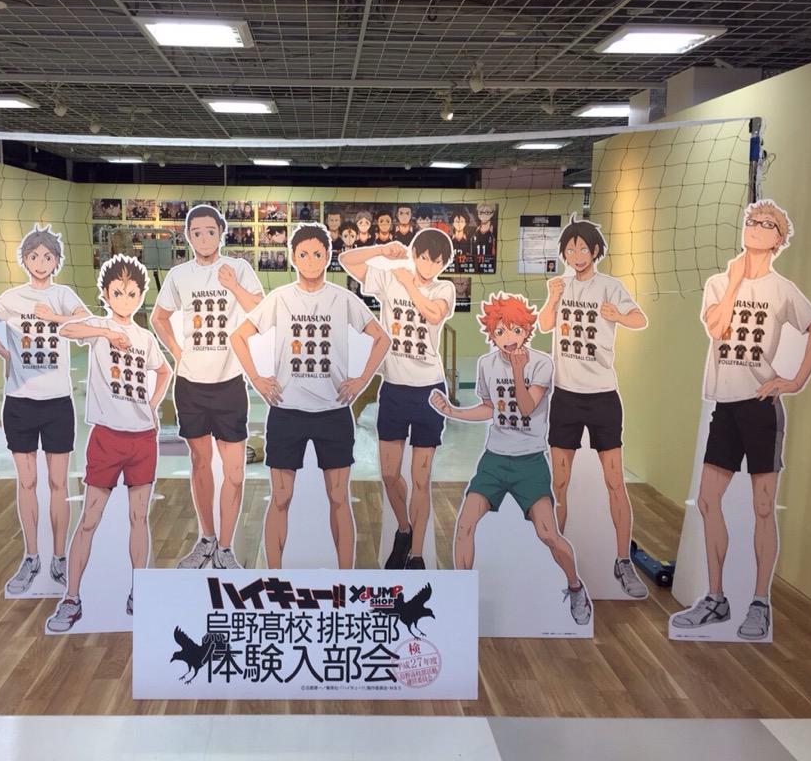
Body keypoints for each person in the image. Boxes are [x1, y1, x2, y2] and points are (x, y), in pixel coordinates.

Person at [672, 200, 811, 640]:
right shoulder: (719, 283)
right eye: (752, 221)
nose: (756, 227)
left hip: (761, 407)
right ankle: (716, 598)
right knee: (707, 501)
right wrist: (736, 280)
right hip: (725, 406)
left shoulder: (782, 289)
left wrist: (795, 380)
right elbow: (715, 328)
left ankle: (759, 602)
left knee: (763, 506)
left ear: (779, 239)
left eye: (767, 224)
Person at [231, 223, 389, 569]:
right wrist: (257, 379)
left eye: (318, 254)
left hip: (333, 412)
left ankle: (344, 578)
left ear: (328, 256)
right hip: (287, 411)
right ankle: (274, 576)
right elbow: (238, 336)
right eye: (303, 254)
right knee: (281, 497)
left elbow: (382, 338)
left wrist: (361, 380)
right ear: (293, 257)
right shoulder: (280, 298)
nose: (311, 260)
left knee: (338, 498)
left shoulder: (343, 299)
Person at [430, 292, 592, 624]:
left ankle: (575, 587)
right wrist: (452, 411)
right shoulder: (486, 364)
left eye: (516, 330)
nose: (508, 337)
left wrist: (519, 372)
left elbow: (528, 407)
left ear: (527, 330)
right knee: (465, 523)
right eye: (500, 331)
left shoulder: (542, 363)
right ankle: (462, 598)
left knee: (548, 534)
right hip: (494, 459)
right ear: (491, 333)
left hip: (529, 461)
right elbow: (489, 409)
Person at [46, 255, 171, 633]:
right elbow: (66, 329)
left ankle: (138, 591)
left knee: (138, 518)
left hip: (142, 439)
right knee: (89, 519)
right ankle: (71, 598)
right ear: (105, 293)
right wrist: (104, 334)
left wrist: (152, 405)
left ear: (140, 296)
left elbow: (164, 370)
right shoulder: (98, 326)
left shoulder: (145, 338)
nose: (125, 300)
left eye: (132, 294)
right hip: (107, 438)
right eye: (118, 293)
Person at [537, 214, 649, 599]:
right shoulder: (560, 285)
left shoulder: (610, 286)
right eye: (570, 250)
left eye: (583, 248)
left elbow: (640, 318)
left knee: (615, 482)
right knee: (558, 483)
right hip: (566, 395)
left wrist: (619, 315)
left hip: (603, 396)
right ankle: (555, 559)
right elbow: (544, 325)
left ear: (595, 251)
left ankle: (623, 561)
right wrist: (552, 297)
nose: (577, 255)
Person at [0, 226, 89, 595]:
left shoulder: (63, 295)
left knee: (58, 483)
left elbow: (87, 324)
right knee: (26, 482)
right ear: (24, 259)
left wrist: (54, 317)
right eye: (34, 256)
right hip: (20, 402)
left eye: (48, 257)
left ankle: (59, 557)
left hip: (57, 402)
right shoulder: (12, 297)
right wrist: (4, 353)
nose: (41, 262)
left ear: (57, 260)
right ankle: (32, 556)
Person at [151, 206, 264, 570]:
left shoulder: (238, 268)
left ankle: (226, 549)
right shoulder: (179, 275)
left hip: (229, 383)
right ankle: (208, 539)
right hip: (190, 385)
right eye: (196, 232)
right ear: (188, 236)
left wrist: (233, 286)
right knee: (200, 463)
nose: (203, 238)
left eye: (210, 231)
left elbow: (261, 310)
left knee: (234, 472)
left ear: (221, 233)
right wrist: (176, 350)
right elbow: (158, 317)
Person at [339, 229, 455, 569]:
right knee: (389, 475)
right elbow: (346, 260)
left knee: (421, 479)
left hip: (429, 390)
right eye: (424, 258)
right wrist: (382, 250)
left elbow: (434, 315)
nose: (429, 266)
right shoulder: (391, 278)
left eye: (437, 261)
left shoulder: (443, 288)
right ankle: (404, 530)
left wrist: (409, 284)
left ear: (443, 264)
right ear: (415, 255)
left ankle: (416, 554)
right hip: (393, 389)